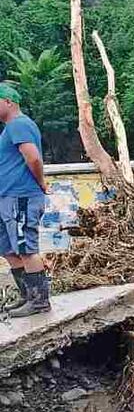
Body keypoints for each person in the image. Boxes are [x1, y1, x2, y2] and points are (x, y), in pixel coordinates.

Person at [0, 85, 49, 318]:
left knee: (26, 248)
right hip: (8, 197)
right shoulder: (9, 128)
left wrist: (40, 182)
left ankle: (39, 302)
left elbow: (32, 157)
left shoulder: (19, 124)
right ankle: (27, 296)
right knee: (9, 249)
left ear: (8, 101)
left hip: (21, 196)